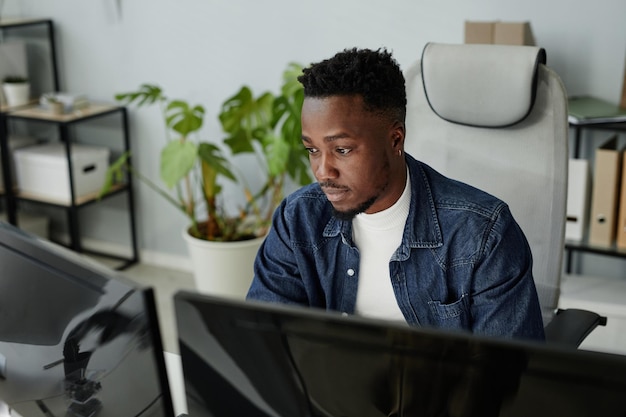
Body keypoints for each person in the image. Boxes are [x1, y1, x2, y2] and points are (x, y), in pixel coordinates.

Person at [247, 47, 545, 341]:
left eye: (342, 150)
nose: (323, 171)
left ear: (395, 139)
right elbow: (264, 344)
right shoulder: (297, 220)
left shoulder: (482, 235)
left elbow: (506, 377)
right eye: (312, 150)